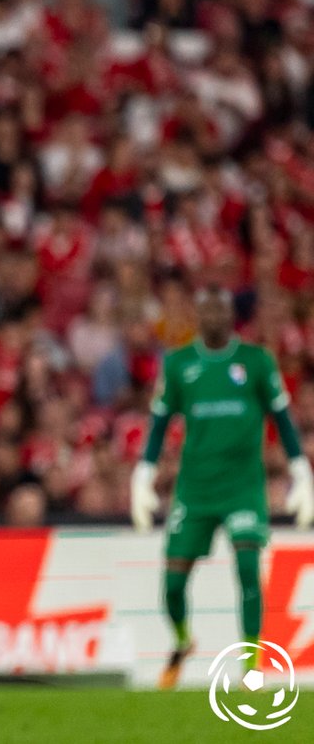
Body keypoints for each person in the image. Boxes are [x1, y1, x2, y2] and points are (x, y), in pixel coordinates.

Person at [133, 286, 313, 689]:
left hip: (243, 487)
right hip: (194, 490)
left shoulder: (256, 361)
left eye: (221, 310)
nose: (214, 318)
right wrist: (142, 476)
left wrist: (302, 471)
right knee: (174, 584)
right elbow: (160, 422)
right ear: (197, 317)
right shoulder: (180, 365)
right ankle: (182, 642)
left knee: (249, 568)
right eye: (207, 310)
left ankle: (251, 665)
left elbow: (283, 419)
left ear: (232, 315)